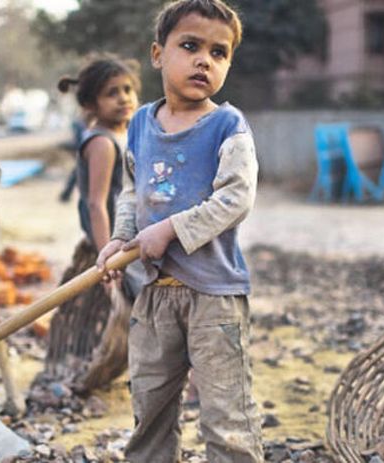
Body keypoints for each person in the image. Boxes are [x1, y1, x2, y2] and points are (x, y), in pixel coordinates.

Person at [96, 1, 263, 460]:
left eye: (219, 52)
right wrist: (120, 235)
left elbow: (235, 198)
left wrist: (171, 228)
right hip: (153, 294)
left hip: (214, 294)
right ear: (157, 54)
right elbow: (131, 191)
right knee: (150, 405)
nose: (204, 60)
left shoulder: (227, 125)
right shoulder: (140, 126)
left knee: (227, 414)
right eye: (190, 46)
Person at [44, 55, 145, 390]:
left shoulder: (127, 134)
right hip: (115, 243)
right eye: (112, 93)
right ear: (90, 103)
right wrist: (107, 258)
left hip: (133, 239)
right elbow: (96, 203)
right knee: (143, 303)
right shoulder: (101, 142)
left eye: (128, 89)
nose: (124, 98)